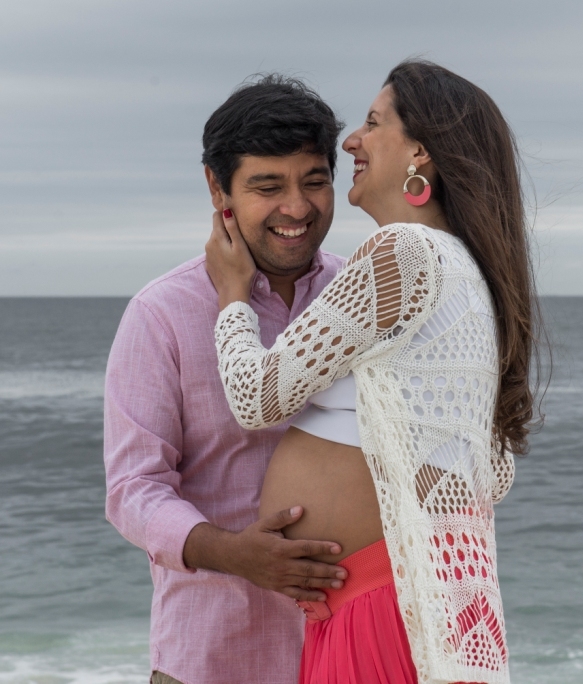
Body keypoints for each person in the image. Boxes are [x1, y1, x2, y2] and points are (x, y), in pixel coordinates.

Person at [204, 59, 538, 684]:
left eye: (372, 122)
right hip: (379, 594)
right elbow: (484, 468)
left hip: (379, 604)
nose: (350, 141)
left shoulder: (405, 252)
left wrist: (232, 297)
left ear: (421, 151)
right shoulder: (464, 271)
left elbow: (257, 396)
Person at [104, 75, 354, 684]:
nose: (296, 208)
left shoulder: (361, 295)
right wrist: (233, 553)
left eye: (314, 182)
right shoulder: (161, 313)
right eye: (267, 186)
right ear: (218, 188)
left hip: (352, 651)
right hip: (213, 656)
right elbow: (133, 490)